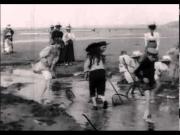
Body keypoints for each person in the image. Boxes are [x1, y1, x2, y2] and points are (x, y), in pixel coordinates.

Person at [134, 48, 158, 123]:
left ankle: (145, 115)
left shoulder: (152, 61)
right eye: (152, 56)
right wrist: (142, 78)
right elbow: (136, 72)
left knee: (149, 99)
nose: (153, 58)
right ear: (148, 55)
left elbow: (152, 72)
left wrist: (154, 81)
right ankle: (148, 117)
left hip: (151, 82)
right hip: (145, 83)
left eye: (155, 56)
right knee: (148, 100)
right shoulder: (144, 62)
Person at [84, 41, 109, 110]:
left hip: (93, 73)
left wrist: (86, 74)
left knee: (92, 90)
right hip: (102, 72)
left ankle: (95, 106)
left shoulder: (90, 56)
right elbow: (104, 66)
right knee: (101, 90)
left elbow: (86, 66)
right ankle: (104, 100)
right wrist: (106, 74)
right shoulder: (101, 56)